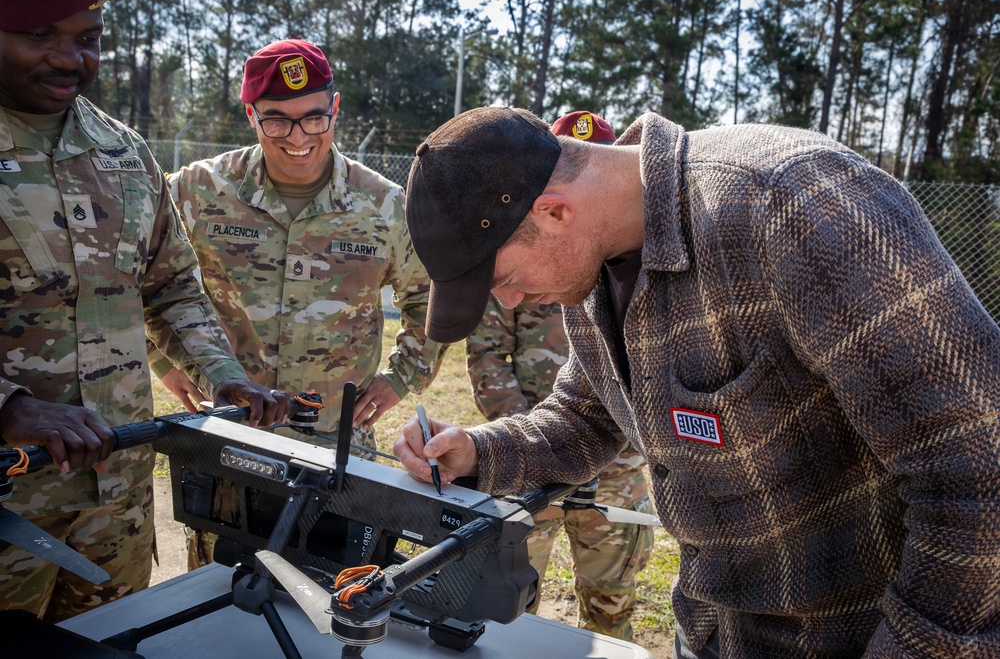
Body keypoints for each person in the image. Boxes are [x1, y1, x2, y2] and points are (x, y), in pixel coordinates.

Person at [395, 106, 1000, 657]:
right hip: (714, 630)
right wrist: (479, 451)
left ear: (553, 211)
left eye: (503, 277)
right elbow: (589, 416)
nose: (509, 299)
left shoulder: (793, 203)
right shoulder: (586, 261)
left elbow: (977, 472)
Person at [0, 0, 286, 623]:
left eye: (89, 37)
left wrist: (223, 375)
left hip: (117, 494)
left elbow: (170, 286)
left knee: (112, 639)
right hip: (11, 499)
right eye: (40, 34)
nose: (69, 58)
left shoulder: (123, 152)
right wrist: (12, 407)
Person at [150, 38, 447, 569]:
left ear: (335, 108)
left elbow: (429, 295)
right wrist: (163, 362)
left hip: (335, 442)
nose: (298, 137)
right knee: (219, 583)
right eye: (277, 120)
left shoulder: (383, 204)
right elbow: (146, 278)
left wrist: (402, 378)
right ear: (251, 115)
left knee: (334, 591)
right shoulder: (197, 190)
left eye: (313, 118)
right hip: (231, 432)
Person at [464, 110, 653, 641]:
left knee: (611, 600)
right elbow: (487, 354)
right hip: (532, 461)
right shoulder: (519, 260)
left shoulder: (632, 260)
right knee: (515, 600)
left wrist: (610, 451)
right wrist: (526, 436)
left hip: (617, 470)